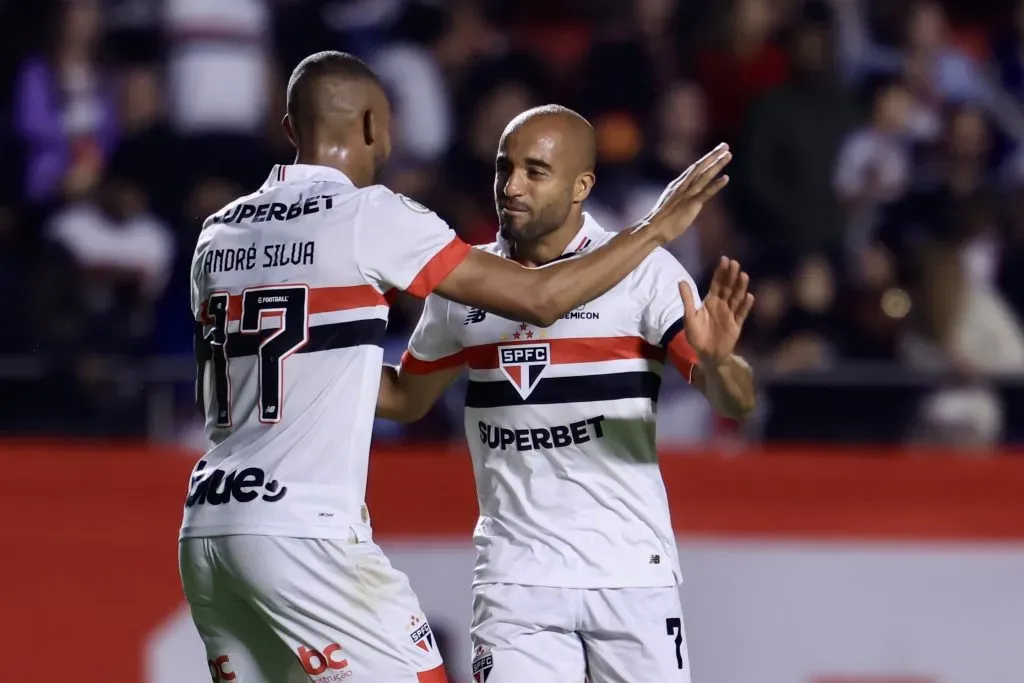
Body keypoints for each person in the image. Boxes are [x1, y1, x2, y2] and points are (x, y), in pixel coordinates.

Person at [179, 52, 731, 683]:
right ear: (372, 126)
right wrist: (656, 228)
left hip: (207, 532)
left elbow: (314, 371)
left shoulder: (216, 234)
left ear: (288, 127)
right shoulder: (370, 215)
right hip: (305, 531)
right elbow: (539, 297)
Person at [376, 105, 756, 683]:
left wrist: (721, 363)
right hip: (516, 581)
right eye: (504, 168)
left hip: (631, 574)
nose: (511, 187)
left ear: (582, 186)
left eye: (535, 171)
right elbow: (406, 398)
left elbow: (736, 401)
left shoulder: (644, 273)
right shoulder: (465, 285)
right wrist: (321, 360)